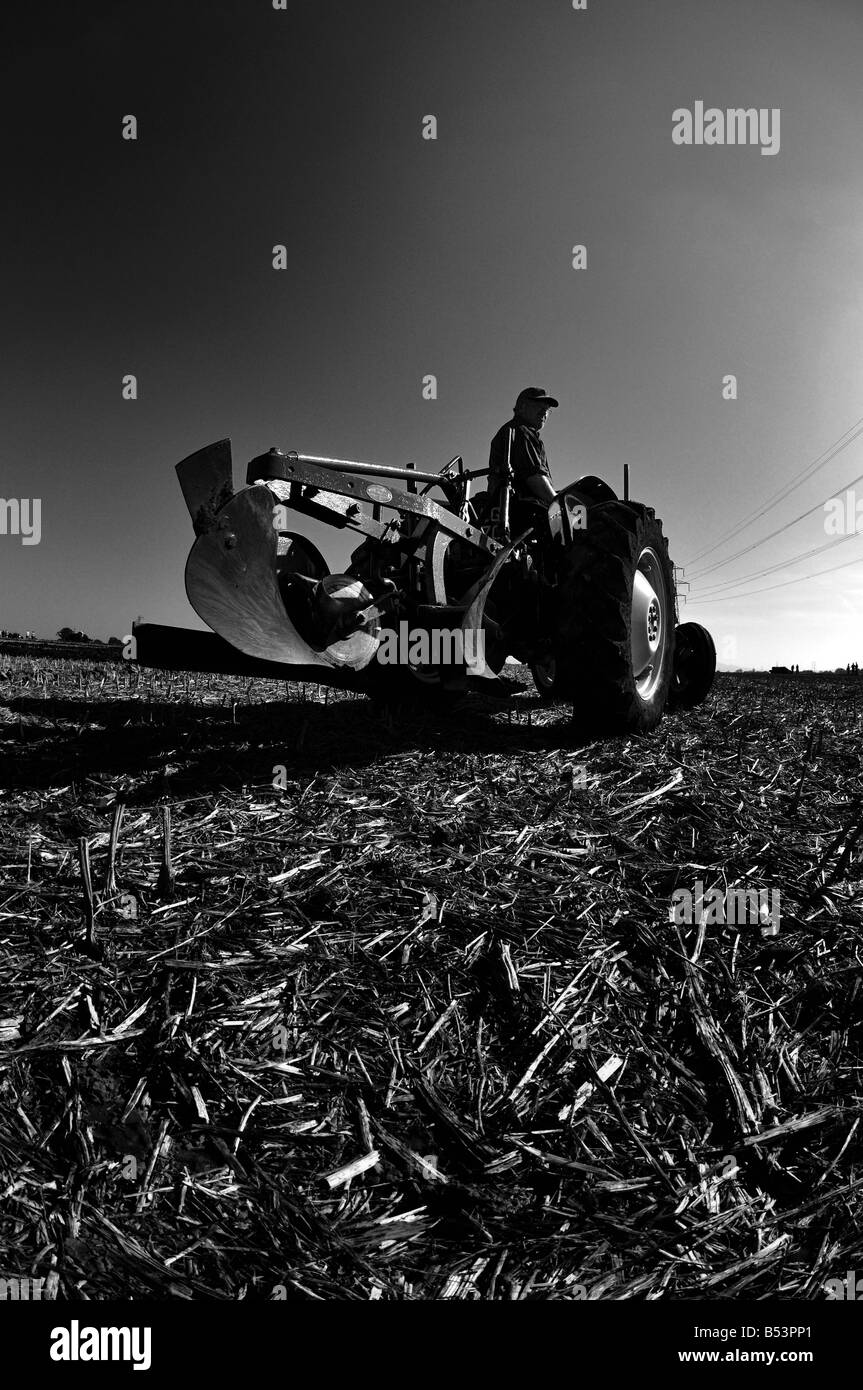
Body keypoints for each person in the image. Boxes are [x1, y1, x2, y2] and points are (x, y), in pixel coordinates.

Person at [485, 387, 558, 535]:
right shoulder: (521, 431)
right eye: (539, 406)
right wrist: (560, 507)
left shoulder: (517, 431)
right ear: (522, 407)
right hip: (521, 510)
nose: (544, 412)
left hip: (509, 506)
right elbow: (535, 479)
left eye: (547, 409)